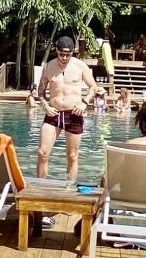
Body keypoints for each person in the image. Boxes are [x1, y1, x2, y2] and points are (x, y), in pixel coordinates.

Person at [30, 33, 103, 183]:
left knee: (72, 156)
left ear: (72, 53)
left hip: (74, 113)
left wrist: (84, 102)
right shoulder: (49, 66)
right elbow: (41, 90)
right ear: (56, 51)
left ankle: (69, 187)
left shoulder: (80, 66)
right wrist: (44, 105)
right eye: (61, 54)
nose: (64, 58)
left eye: (67, 55)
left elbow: (93, 87)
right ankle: (40, 187)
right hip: (53, 112)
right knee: (42, 152)